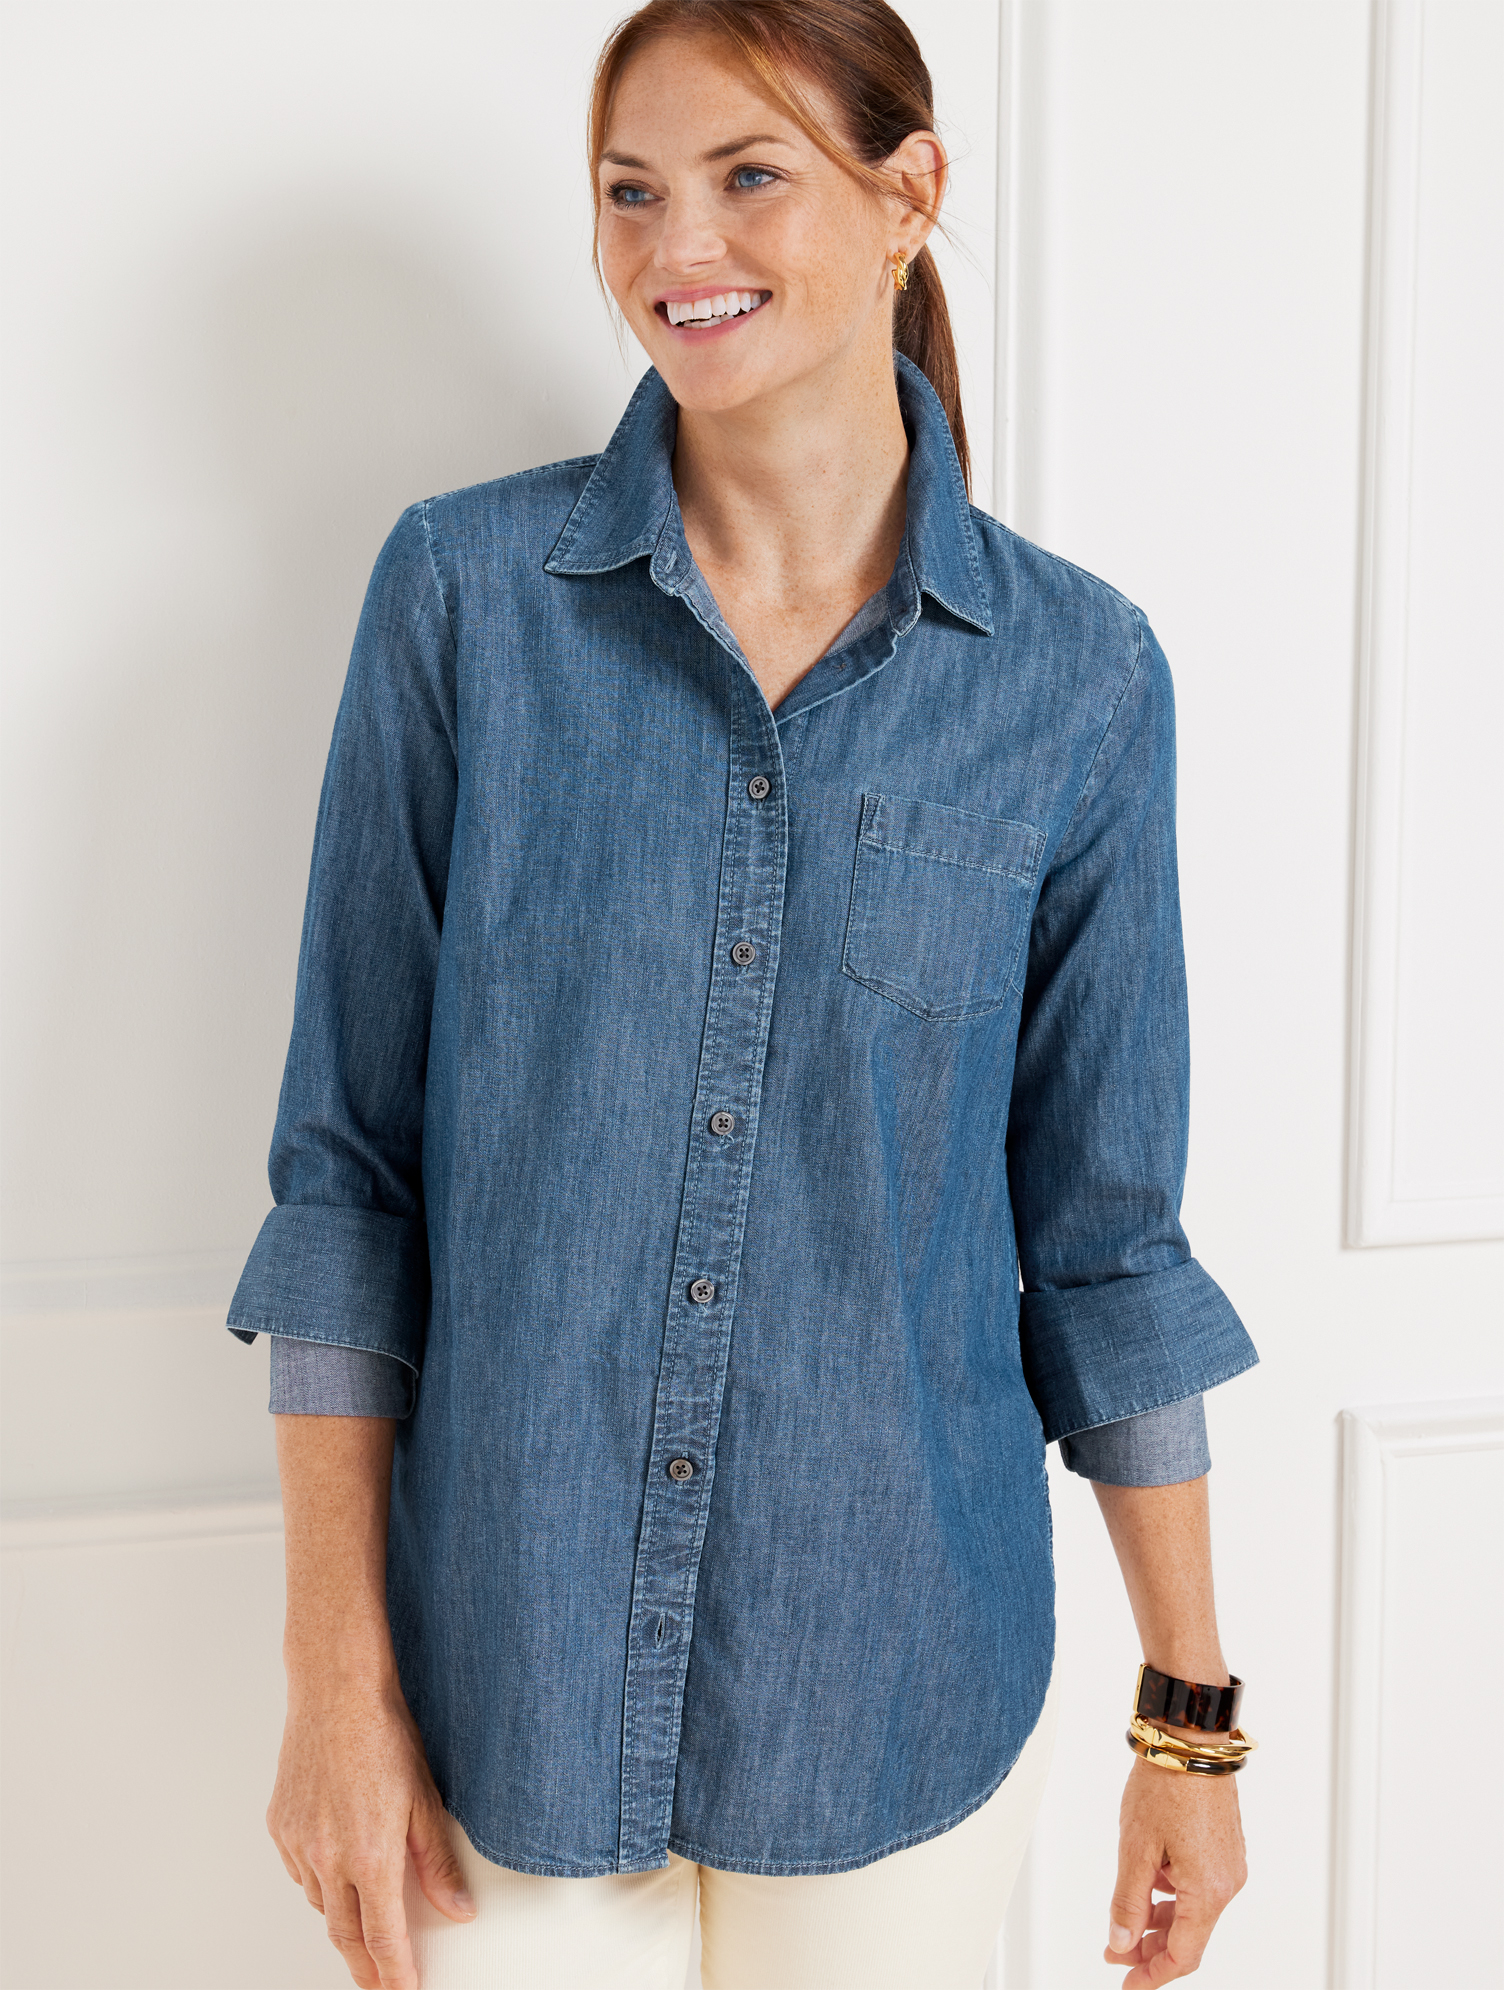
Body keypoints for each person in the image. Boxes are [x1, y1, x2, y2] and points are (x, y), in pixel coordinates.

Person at [226, 3, 1259, 1986]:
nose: (672, 245)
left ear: (909, 193)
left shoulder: (1074, 677)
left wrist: (1188, 1725)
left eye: (746, 174)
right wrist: (333, 1687)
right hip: (499, 1694)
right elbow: (348, 1179)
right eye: (629, 192)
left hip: (897, 1685)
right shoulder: (461, 602)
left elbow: (1107, 1247)